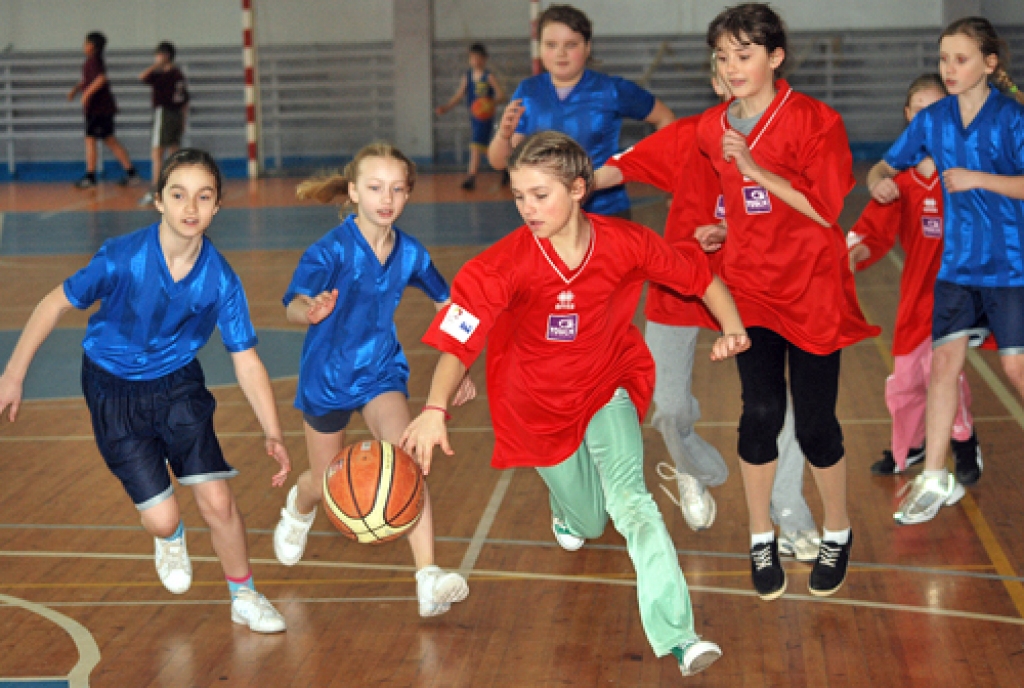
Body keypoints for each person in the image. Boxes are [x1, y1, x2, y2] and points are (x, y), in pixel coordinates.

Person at [402, 131, 751, 677]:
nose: (527, 208)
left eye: (540, 194)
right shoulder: (503, 265)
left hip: (606, 383)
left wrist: (732, 328)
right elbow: (457, 338)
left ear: (579, 189)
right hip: (535, 406)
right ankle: (567, 511)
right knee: (589, 522)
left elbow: (698, 276)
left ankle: (680, 636)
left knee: (633, 503)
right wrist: (433, 408)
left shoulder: (625, 243)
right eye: (519, 196)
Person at [0, 149, 290, 633]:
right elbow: (54, 303)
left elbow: (247, 360)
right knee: (159, 519)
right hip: (112, 389)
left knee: (217, 501)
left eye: (204, 196)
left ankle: (244, 593)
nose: (190, 206)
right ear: (158, 201)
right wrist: (13, 374)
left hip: (178, 385)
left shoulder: (220, 278)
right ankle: (170, 536)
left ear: (217, 206)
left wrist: (274, 432)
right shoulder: (122, 257)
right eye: (178, 194)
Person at [595, 69, 821, 561]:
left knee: (774, 403)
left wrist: (733, 233)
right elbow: (617, 169)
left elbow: (806, 213)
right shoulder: (687, 138)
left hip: (754, 287)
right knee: (668, 406)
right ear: (716, 85)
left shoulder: (787, 141)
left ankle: (791, 510)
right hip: (681, 285)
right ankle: (693, 467)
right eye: (723, 71)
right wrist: (566, 189)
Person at [697, 3, 880, 600]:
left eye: (743, 54)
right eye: (723, 56)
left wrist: (753, 167)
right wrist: (724, 229)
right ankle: (759, 536)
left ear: (774, 57)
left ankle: (837, 530)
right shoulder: (714, 126)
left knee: (818, 423)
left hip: (812, 292)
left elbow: (826, 210)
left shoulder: (815, 120)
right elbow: (740, 203)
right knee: (760, 412)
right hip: (750, 288)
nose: (731, 66)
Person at [271, 142, 471, 618]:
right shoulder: (331, 250)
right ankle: (299, 507)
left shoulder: (411, 253)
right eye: (376, 187)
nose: (387, 198)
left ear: (407, 195)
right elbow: (292, 303)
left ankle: (427, 578)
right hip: (327, 378)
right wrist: (309, 310)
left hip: (381, 371)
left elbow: (453, 307)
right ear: (354, 192)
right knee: (325, 481)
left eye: (398, 189)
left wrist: (459, 363)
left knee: (408, 461)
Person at [867, 17, 1024, 525]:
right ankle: (935, 475)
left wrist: (981, 179)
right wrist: (878, 180)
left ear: (989, 64)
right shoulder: (933, 120)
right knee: (943, 368)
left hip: (1009, 265)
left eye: (960, 59)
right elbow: (888, 164)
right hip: (957, 266)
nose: (949, 69)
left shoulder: (1011, 118)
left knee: (1015, 368)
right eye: (943, 59)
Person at [848, 74, 982, 479]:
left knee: (941, 373)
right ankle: (909, 447)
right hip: (916, 295)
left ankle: (963, 443)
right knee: (905, 379)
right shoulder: (900, 183)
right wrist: (854, 254)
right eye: (919, 108)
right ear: (908, 116)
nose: (927, 116)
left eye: (937, 107)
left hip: (960, 293)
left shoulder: (969, 173)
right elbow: (873, 234)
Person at [487, 4, 673, 219]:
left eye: (571, 44)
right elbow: (498, 162)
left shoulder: (611, 89)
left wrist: (664, 176)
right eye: (551, 44)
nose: (560, 53)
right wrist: (503, 135)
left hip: (608, 214)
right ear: (539, 48)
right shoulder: (528, 91)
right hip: (548, 217)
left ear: (587, 47)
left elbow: (665, 118)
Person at [67, 31, 140, 189]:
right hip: (101, 109)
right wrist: (76, 89)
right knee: (109, 140)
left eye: (85, 43)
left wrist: (86, 94)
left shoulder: (93, 61)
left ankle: (90, 177)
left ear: (91, 46)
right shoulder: (93, 61)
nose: (83, 46)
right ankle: (131, 173)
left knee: (91, 140)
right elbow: (89, 80)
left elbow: (101, 79)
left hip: (98, 110)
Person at [435, 43, 507, 191]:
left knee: (475, 145)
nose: (476, 61)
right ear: (469, 60)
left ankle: (471, 177)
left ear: (485, 59)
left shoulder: (489, 76)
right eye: (473, 58)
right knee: (485, 148)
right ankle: (505, 169)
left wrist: (488, 103)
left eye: (479, 58)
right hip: (474, 117)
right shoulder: (467, 76)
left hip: (485, 117)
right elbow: (460, 94)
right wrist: (447, 107)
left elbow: (502, 96)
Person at [138, 41, 190, 206]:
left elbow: (183, 100)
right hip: (174, 115)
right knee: (172, 152)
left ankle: (156, 190)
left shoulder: (171, 75)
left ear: (166, 56)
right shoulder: (170, 75)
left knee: (158, 153)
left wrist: (183, 120)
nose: (156, 57)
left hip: (165, 114)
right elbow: (142, 77)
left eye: (159, 54)